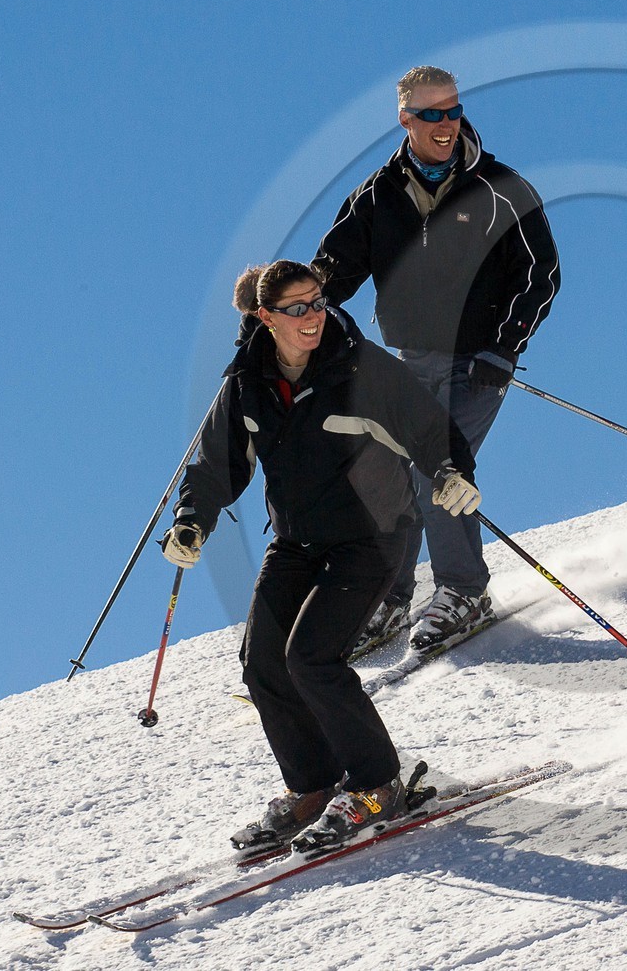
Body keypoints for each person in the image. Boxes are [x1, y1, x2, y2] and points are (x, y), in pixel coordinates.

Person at [161, 259, 482, 851]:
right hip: (296, 540)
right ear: (266, 317)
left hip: (370, 537)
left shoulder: (360, 367)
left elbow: (427, 426)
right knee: (262, 663)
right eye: (297, 308)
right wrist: (191, 521)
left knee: (311, 659)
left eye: (317, 301)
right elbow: (215, 466)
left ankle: (376, 784)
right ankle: (311, 785)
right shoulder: (247, 382)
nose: (313, 316)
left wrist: (448, 471)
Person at [312, 65, 560, 653]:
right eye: (431, 114)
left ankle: (465, 591)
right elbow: (332, 273)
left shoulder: (499, 187)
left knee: (437, 465)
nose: (446, 123)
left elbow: (542, 274)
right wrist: (286, 310)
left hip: (478, 363)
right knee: (387, 473)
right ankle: (390, 596)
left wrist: (505, 346)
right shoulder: (377, 196)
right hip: (410, 358)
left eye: (453, 110)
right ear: (406, 119)